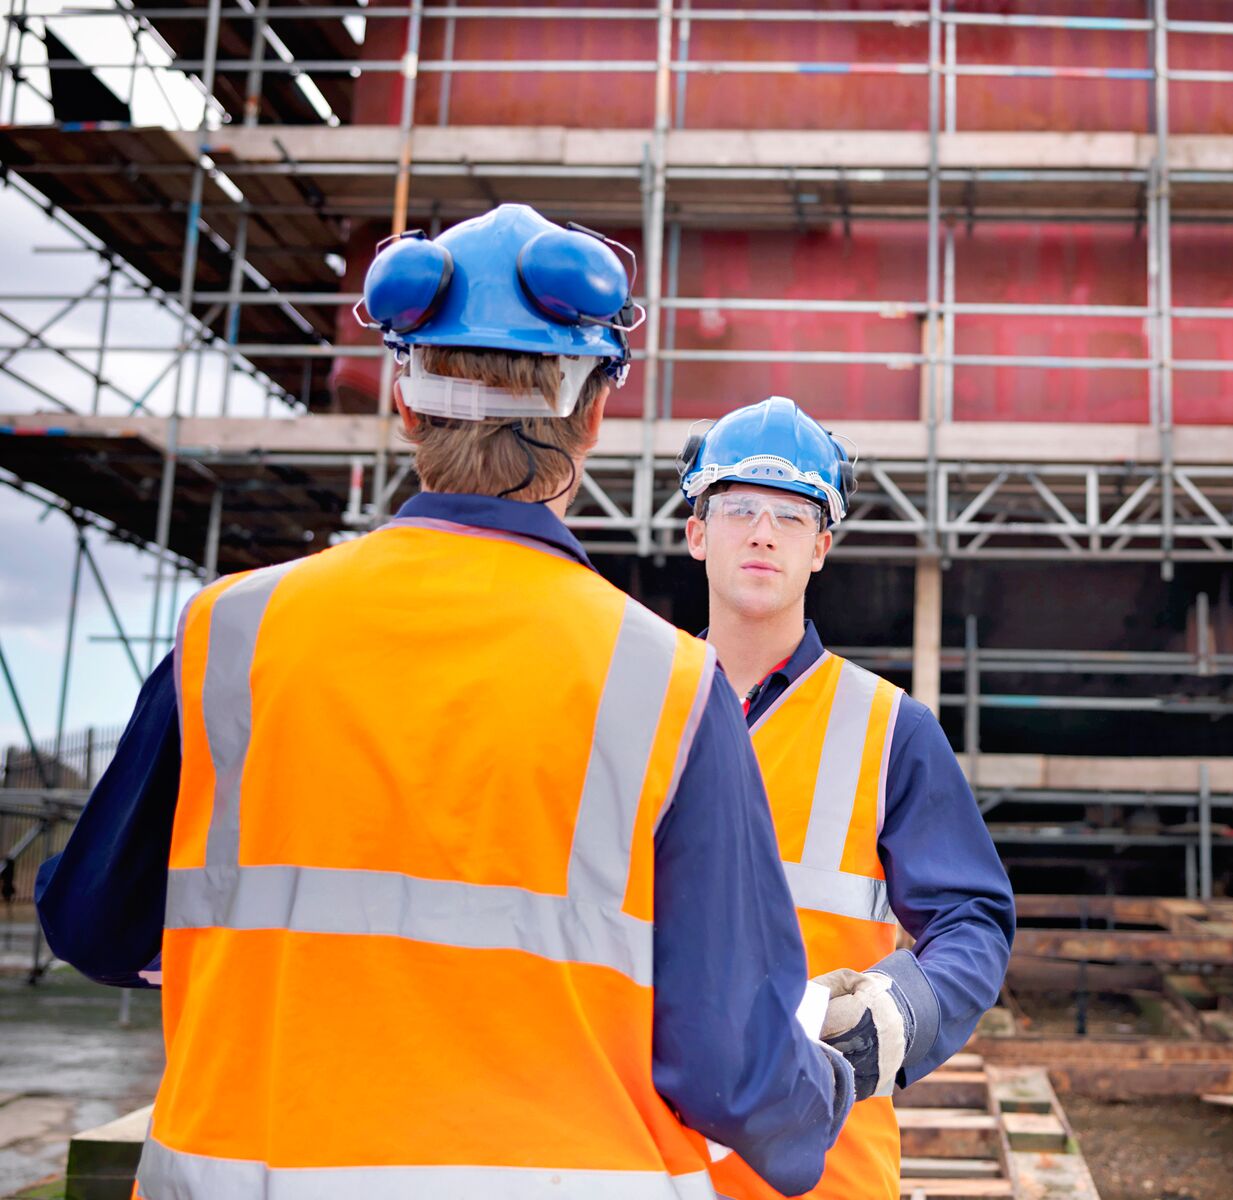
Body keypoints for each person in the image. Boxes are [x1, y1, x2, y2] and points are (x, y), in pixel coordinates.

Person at [35, 207, 854, 1200]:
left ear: (406, 405)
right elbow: (734, 1066)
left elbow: (94, 926)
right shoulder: (670, 685)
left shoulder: (231, 634)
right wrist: (824, 1098)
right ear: (594, 416)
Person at [677, 397, 1016, 1200]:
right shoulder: (629, 704)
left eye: (792, 516)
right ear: (696, 534)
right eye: (739, 509)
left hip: (823, 1157)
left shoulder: (890, 729)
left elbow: (970, 919)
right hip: (646, 1154)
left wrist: (903, 1010)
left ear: (821, 547)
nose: (763, 533)